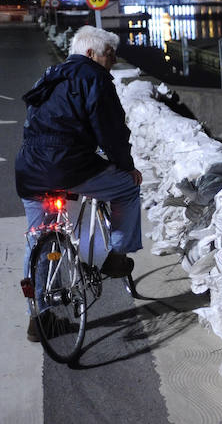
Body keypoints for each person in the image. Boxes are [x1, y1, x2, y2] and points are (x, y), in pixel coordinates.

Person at [16, 25, 143, 341]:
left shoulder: (48, 76)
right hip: (71, 166)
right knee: (126, 188)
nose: (111, 63)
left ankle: (39, 318)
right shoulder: (94, 78)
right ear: (90, 54)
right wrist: (126, 167)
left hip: (30, 168)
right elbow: (112, 132)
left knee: (38, 240)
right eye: (109, 56)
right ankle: (115, 256)